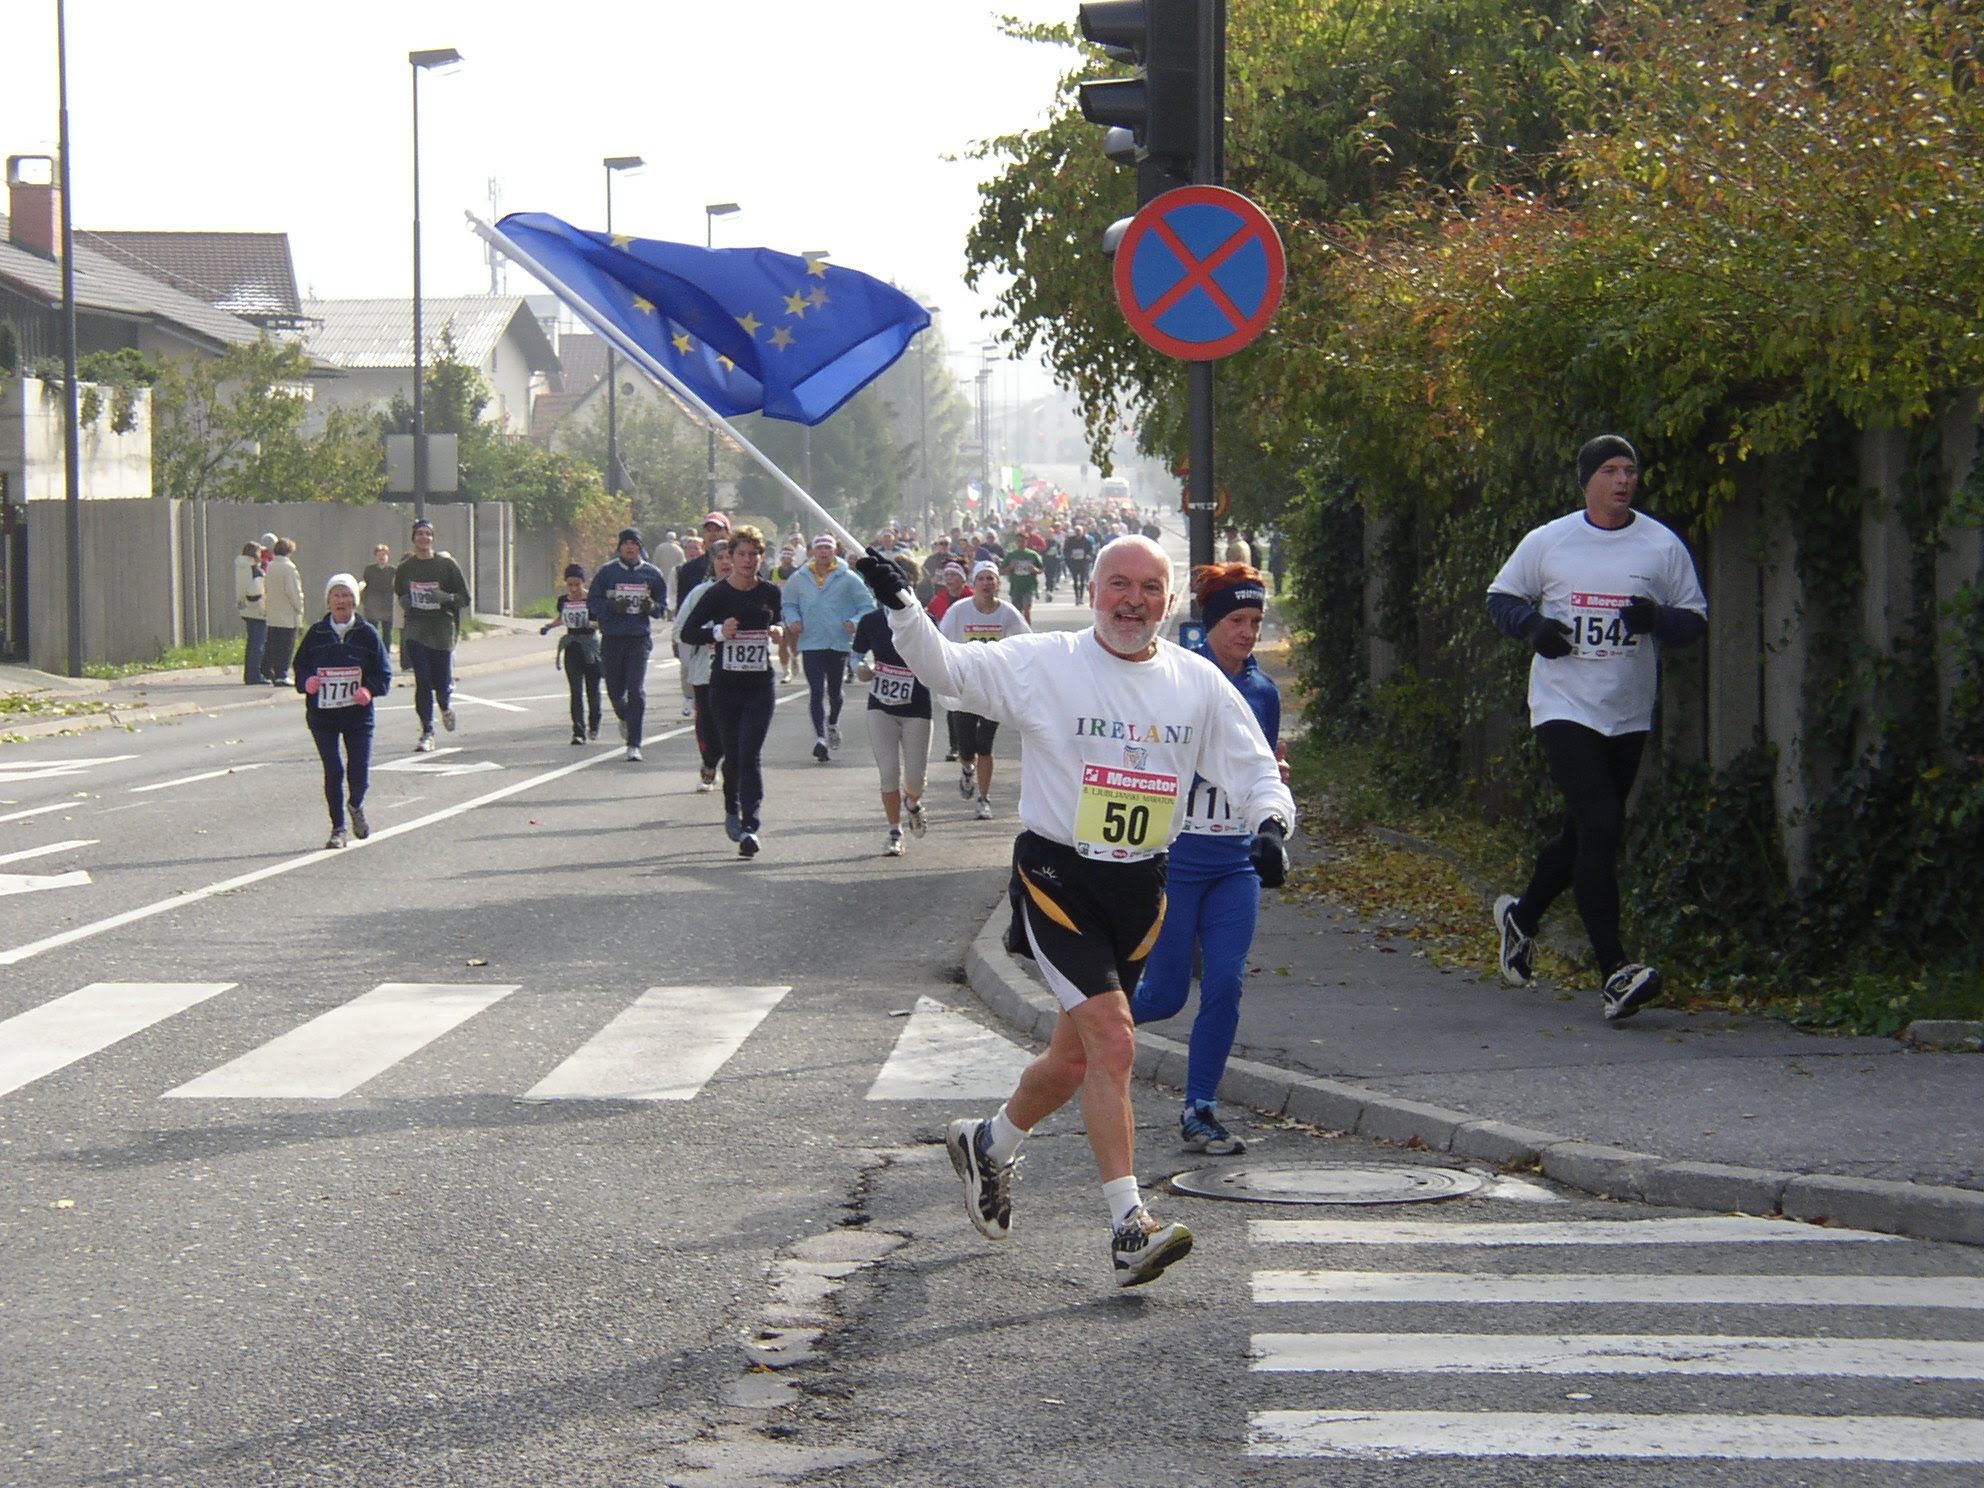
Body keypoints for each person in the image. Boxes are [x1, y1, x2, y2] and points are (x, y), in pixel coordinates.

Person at [854, 534, 1294, 1287]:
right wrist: (901, 604)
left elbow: (1254, 768)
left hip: (1140, 885)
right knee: (1116, 1042)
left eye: (1150, 588)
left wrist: (1271, 827)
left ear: (1169, 602)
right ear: (1093, 593)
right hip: (1058, 873)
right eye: (1118, 585)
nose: (1133, 600)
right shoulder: (1045, 663)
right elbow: (948, 669)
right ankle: (1129, 1225)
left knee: (1076, 1057)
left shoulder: (1196, 683)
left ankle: (988, 1142)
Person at [1487, 434, 1708, 1021]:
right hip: (1564, 704)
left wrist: (1658, 618)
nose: (1622, 480)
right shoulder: (1550, 541)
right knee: (1604, 823)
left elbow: (1694, 621)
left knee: (1586, 832)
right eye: (1610, 469)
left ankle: (1522, 916)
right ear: (1587, 479)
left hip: (1627, 709)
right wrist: (1533, 628)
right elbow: (1501, 598)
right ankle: (1614, 971)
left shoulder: (1660, 545)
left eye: (1630, 470)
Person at [1129, 564, 1289, 1156]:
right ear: (1211, 623)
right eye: (1236, 621)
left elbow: (1263, 769)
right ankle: (1080, 1032)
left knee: (1225, 982)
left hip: (1234, 861)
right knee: (1163, 997)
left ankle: (1201, 1110)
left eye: (1255, 622)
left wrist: (1271, 791)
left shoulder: (1263, 692)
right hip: (1178, 858)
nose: (1247, 633)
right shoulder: (1177, 681)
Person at [678, 524, 784, 857]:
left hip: (759, 685)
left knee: (750, 754)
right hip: (724, 686)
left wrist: (779, 630)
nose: (748, 560)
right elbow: (689, 633)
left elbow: (779, 621)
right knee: (733, 755)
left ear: (761, 558)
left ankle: (751, 826)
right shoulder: (718, 594)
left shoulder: (770, 593)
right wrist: (720, 633)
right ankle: (731, 807)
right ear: (732, 557)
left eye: (754, 555)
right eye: (742, 554)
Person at [293, 573, 391, 849]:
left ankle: (355, 804)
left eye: (346, 596)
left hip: (358, 716)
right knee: (333, 770)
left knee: (358, 770)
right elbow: (300, 667)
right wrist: (307, 682)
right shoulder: (316, 634)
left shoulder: (368, 634)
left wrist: (368, 690)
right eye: (336, 595)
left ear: (354, 602)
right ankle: (338, 828)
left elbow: (384, 674)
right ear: (328, 601)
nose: (341, 601)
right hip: (323, 715)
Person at [852, 555, 931, 856]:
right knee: (887, 773)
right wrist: (861, 667)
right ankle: (894, 831)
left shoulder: (922, 619)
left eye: (905, 576)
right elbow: (856, 654)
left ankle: (913, 803)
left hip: (916, 709)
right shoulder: (871, 621)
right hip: (881, 706)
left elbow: (940, 656)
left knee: (914, 780)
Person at [939, 561, 1031, 820]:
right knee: (967, 748)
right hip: (965, 691)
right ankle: (968, 769)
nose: (987, 584)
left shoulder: (1009, 614)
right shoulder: (959, 611)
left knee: (985, 745)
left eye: (991, 579)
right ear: (973, 583)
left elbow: (1026, 645)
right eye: (982, 579)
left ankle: (984, 798)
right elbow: (941, 644)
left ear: (998, 584)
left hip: (994, 689)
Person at [784, 534, 876, 763]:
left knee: (834, 692)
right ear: (812, 552)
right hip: (811, 641)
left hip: (838, 641)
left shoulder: (848, 577)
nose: (823, 552)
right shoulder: (800, 577)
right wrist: (792, 619)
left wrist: (854, 622)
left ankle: (832, 722)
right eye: (819, 548)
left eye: (828, 548)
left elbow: (867, 606)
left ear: (835, 551)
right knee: (816, 690)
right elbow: (789, 603)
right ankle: (820, 738)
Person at [588, 527, 669, 763]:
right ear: (619, 547)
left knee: (636, 689)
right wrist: (612, 607)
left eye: (634, 543)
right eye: (626, 543)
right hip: (613, 637)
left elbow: (662, 607)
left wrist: (650, 607)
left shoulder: (652, 574)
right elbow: (593, 601)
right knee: (615, 691)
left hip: (638, 638)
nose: (630, 547)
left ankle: (634, 743)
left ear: (640, 547)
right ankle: (625, 717)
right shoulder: (607, 572)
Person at [392, 518, 472, 753]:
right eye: (419, 534)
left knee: (441, 680)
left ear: (433, 538)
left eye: (428, 534)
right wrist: (406, 601)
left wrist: (445, 598)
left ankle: (446, 707)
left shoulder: (446, 565)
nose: (423, 538)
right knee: (423, 681)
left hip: (442, 629)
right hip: (416, 628)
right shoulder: (406, 568)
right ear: (413, 539)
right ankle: (427, 731)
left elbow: (464, 597)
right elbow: (400, 592)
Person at [676, 538, 730, 792]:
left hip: (740, 672)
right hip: (705, 669)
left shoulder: (752, 591)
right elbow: (681, 631)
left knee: (733, 723)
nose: (726, 563)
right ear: (712, 563)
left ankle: (733, 767)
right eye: (720, 558)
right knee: (708, 723)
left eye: (731, 556)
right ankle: (709, 763)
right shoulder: (700, 593)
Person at [541, 564, 603, 745]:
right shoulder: (563, 601)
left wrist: (591, 624)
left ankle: (594, 724)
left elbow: (602, 622)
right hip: (572, 646)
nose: (574, 589)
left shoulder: (593, 599)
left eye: (577, 584)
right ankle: (578, 731)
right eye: (570, 585)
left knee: (592, 689)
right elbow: (562, 618)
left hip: (590, 646)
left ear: (583, 582)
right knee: (575, 691)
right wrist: (549, 627)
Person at [262, 538, 306, 687]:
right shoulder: (289, 568)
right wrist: (299, 607)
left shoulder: (271, 566)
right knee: (287, 645)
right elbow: (293, 591)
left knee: (273, 644)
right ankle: (282, 674)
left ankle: (271, 672)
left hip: (273, 612)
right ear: (289, 551)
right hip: (287, 613)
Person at [234, 540, 267, 687]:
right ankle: (254, 675)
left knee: (251, 643)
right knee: (257, 644)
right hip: (257, 611)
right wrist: (264, 607)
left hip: (245, 609)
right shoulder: (255, 570)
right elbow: (255, 592)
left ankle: (249, 673)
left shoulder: (241, 567)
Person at [360, 543, 398, 654]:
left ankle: (385, 654)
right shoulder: (369, 570)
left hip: (388, 604)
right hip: (372, 605)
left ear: (388, 556)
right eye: (379, 555)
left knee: (387, 632)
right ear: (375, 556)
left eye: (384, 554)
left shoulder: (392, 570)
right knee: (372, 630)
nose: (382, 557)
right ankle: (373, 652)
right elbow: (366, 584)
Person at [1002, 542, 1042, 624]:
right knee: (1017, 613)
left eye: (1023, 540)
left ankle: (1028, 633)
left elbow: (1041, 569)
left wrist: (1034, 569)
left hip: (1029, 587)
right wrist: (1011, 567)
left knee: (1027, 611)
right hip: (1016, 587)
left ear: (1026, 542)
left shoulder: (1032, 554)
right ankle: (1018, 633)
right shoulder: (1011, 555)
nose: (1021, 543)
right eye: (1019, 540)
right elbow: (1002, 571)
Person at [1061, 523, 1095, 603]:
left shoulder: (1086, 540)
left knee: (1083, 580)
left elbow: (1091, 550)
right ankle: (1077, 597)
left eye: (1079, 531)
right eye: (1076, 531)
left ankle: (1081, 598)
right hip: (1074, 563)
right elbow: (1066, 550)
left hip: (1083, 562)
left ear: (1082, 531)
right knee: (1075, 580)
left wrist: (1088, 555)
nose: (1078, 532)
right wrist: (1070, 556)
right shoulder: (1070, 540)